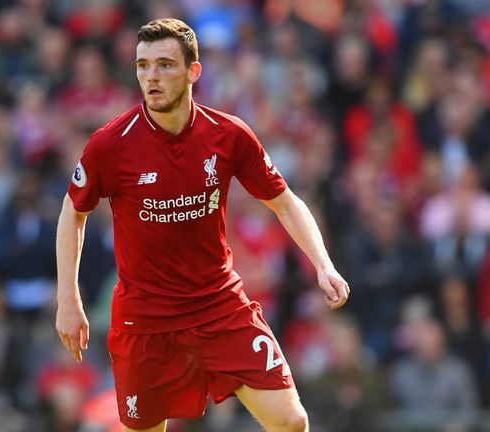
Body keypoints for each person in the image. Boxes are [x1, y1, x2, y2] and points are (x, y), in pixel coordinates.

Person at [55, 18, 350, 432]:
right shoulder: (111, 143)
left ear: (194, 71)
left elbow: (285, 203)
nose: (151, 77)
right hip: (146, 320)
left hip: (219, 307)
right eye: (142, 66)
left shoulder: (228, 135)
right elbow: (73, 213)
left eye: (164, 65)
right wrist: (68, 299)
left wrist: (324, 264)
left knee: (291, 422)